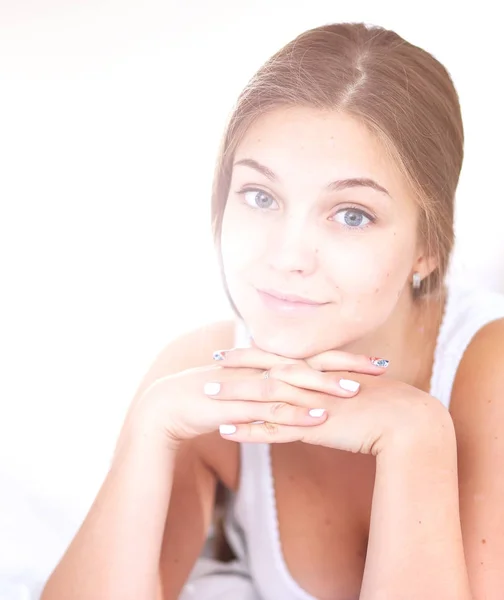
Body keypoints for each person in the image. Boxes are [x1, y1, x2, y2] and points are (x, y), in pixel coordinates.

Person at [40, 22, 504, 600]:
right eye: (261, 197)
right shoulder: (200, 387)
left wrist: (417, 438)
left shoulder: (490, 380)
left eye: (352, 214)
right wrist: (149, 427)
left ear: (428, 248)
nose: (286, 257)